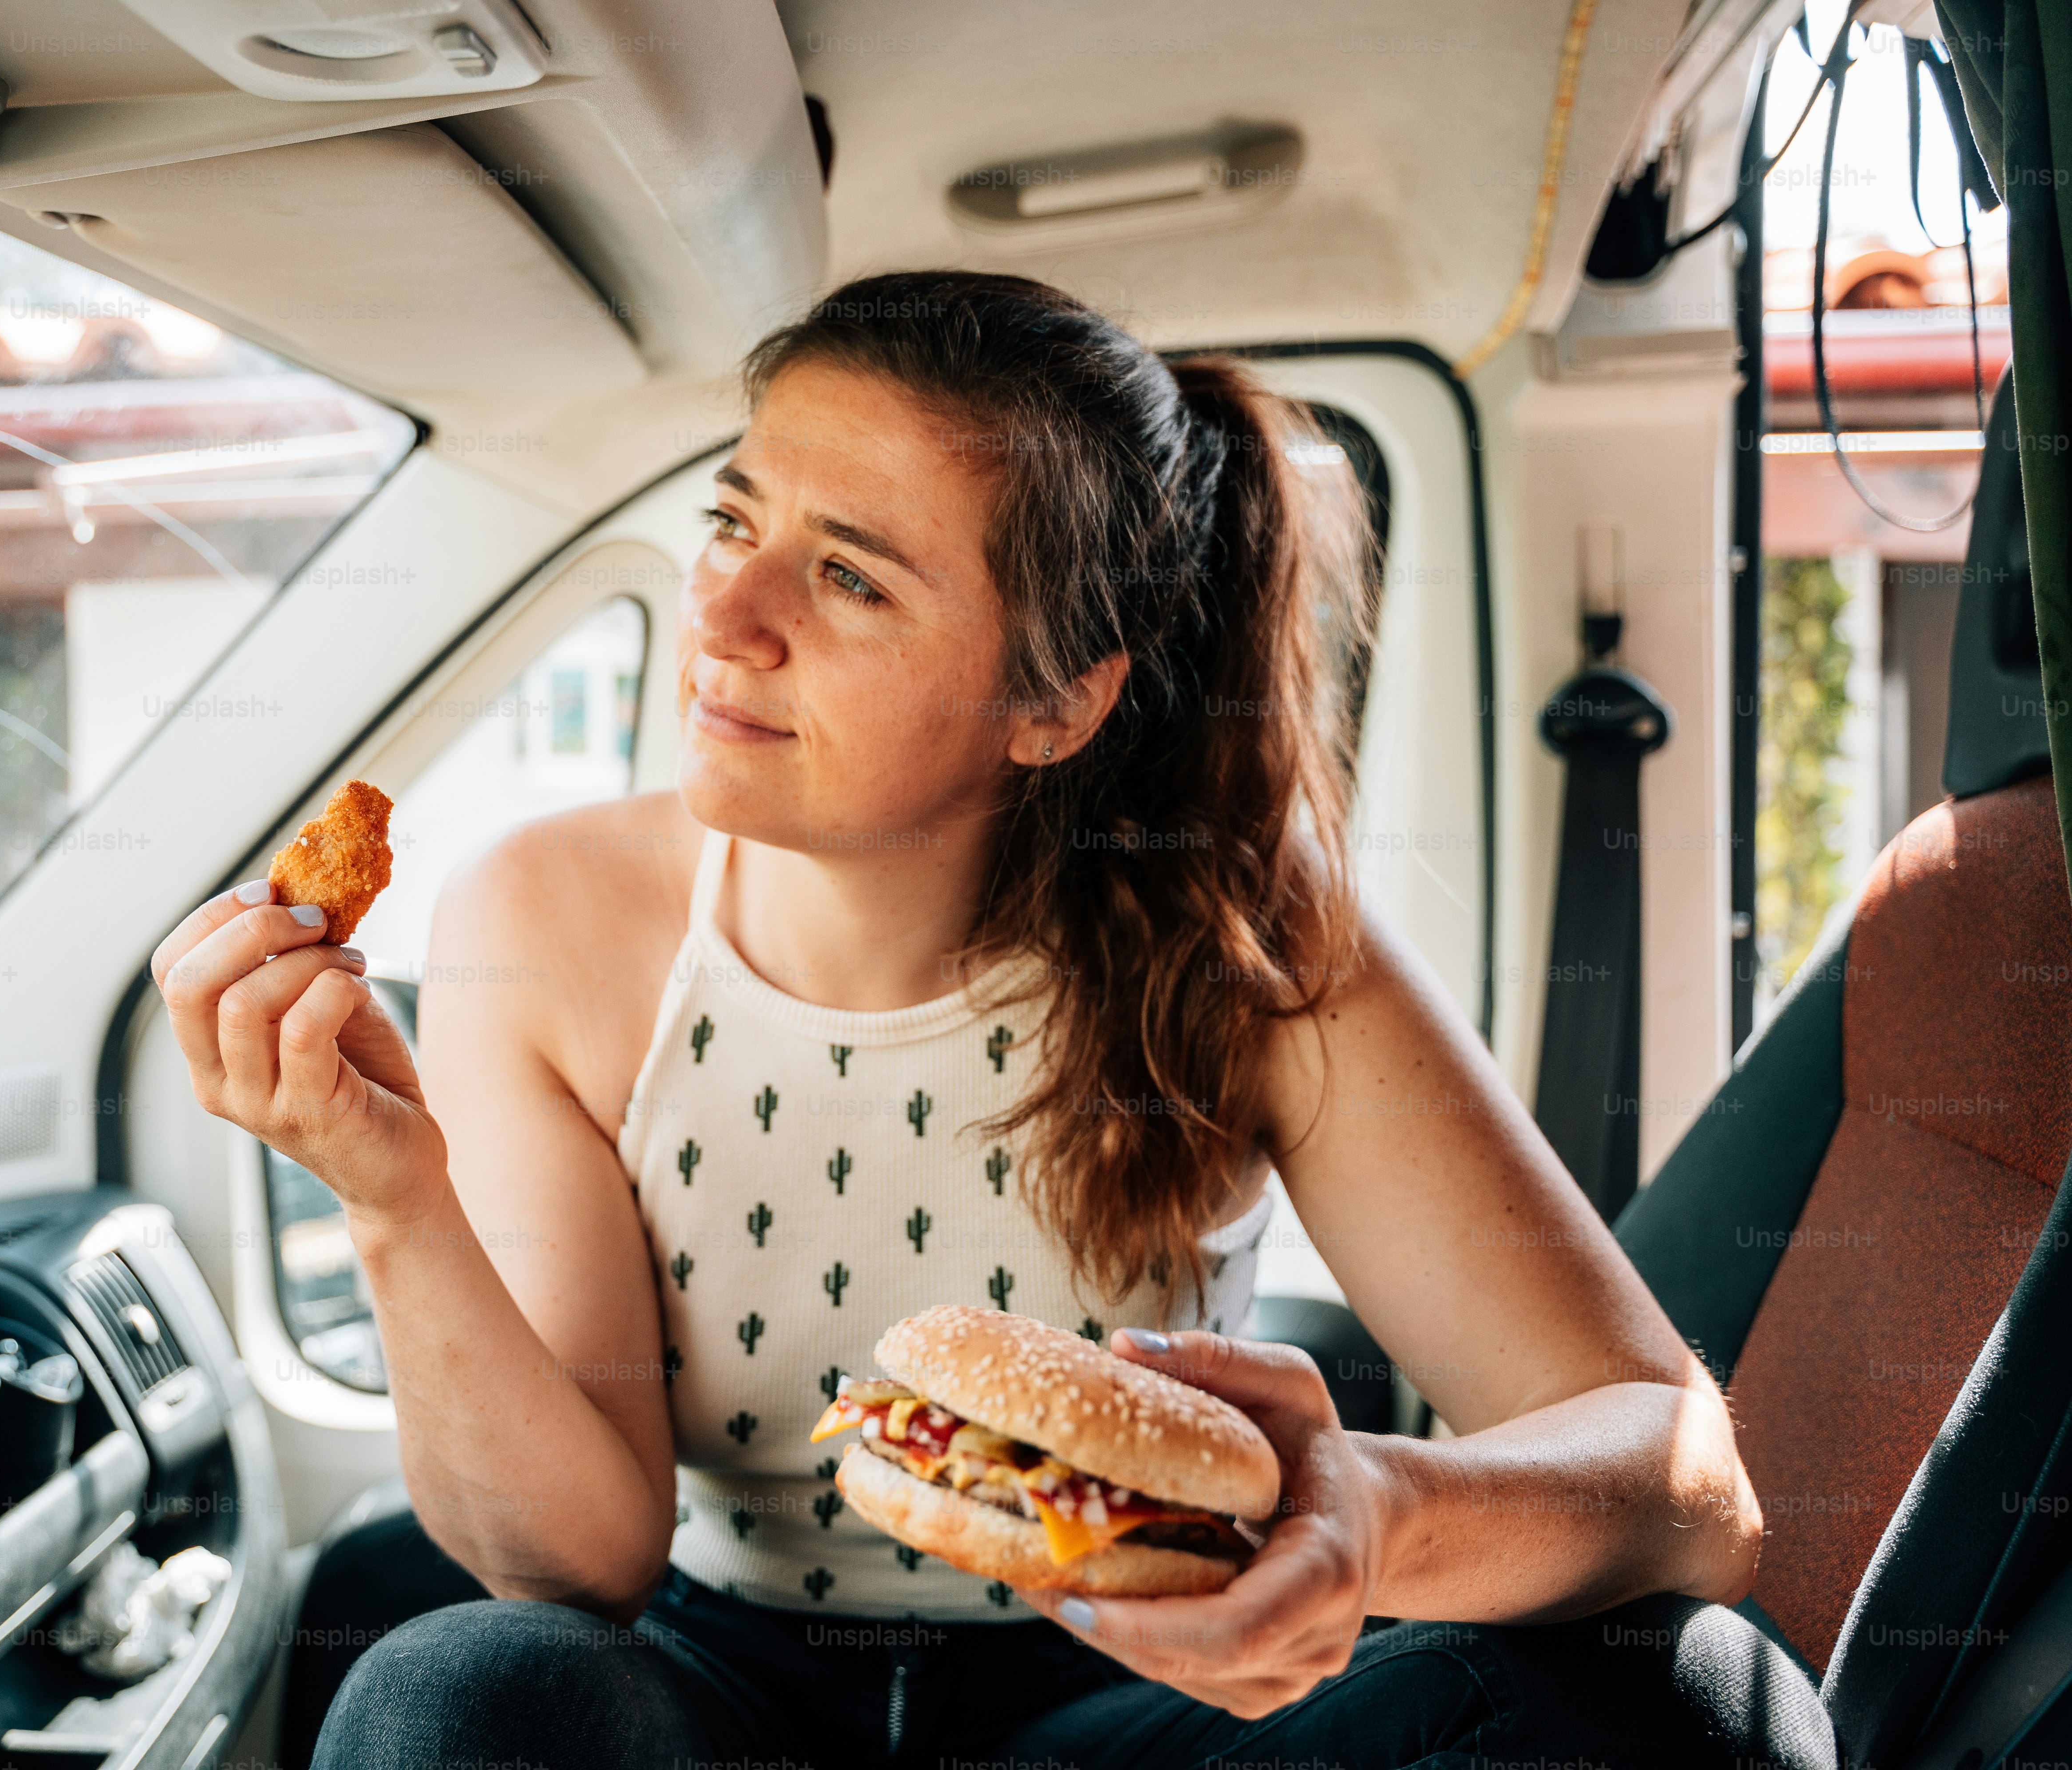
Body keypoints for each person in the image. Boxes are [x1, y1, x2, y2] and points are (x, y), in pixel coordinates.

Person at [151, 271, 1831, 1766]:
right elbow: (580, 1559)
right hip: (714, 1689)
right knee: (449, 1694)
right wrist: (389, 1199)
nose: (725, 621)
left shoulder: (1254, 932)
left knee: (1691, 1699)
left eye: (853, 581)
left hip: (1144, 1684)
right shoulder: (544, 916)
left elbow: (1693, 1490)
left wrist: (1382, 1521)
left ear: (1055, 700)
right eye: (735, 524)